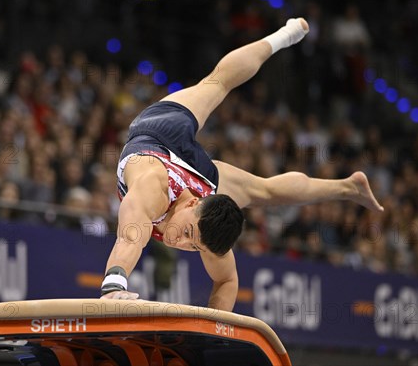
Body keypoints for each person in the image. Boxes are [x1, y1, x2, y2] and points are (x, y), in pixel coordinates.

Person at [101, 18, 383, 311]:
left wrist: (216, 331)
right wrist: (115, 283)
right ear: (192, 205)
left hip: (193, 175)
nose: (183, 244)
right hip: (159, 132)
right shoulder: (151, 188)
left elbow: (227, 281)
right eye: (188, 236)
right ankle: (284, 35)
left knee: (267, 192)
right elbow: (130, 237)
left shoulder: (206, 227)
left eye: (193, 246)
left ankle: (347, 187)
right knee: (218, 82)